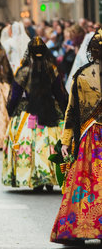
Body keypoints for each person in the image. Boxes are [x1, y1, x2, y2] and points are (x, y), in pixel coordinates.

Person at [50, 29, 102, 243]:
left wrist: (66, 141)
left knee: (86, 182)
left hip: (91, 138)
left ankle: (81, 226)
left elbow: (72, 111)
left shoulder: (81, 75)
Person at [2, 37, 67, 191]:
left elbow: (15, 95)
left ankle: (33, 177)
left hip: (26, 114)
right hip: (50, 112)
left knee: (29, 144)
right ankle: (50, 178)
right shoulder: (52, 69)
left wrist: (11, 111)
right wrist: (65, 112)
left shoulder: (24, 71)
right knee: (49, 144)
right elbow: (60, 94)